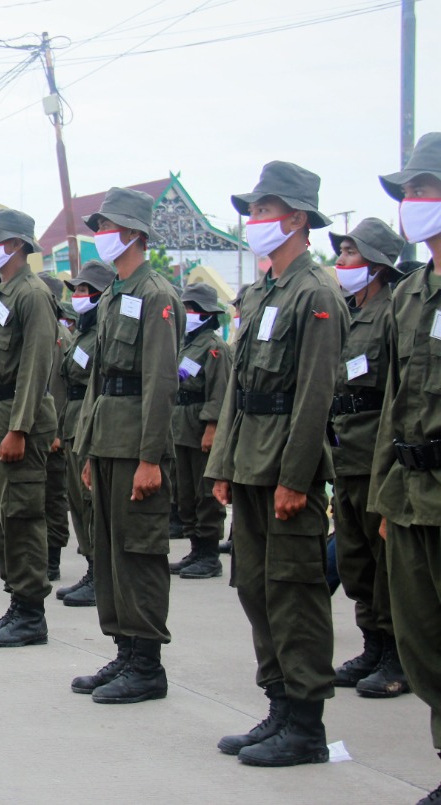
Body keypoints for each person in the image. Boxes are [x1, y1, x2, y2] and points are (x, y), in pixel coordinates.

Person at [207, 162, 348, 765]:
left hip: (285, 467)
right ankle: (279, 705)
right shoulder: (263, 289)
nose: (253, 220)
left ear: (296, 219)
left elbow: (316, 393)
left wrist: (298, 477)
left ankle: (307, 726)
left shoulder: (317, 291)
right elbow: (238, 388)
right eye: (254, 210)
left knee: (295, 594)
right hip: (248, 462)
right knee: (256, 589)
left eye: (264, 211)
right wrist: (221, 464)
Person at [74, 188, 183, 704]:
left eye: (109, 227)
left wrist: (149, 458)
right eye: (98, 227)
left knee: (139, 552)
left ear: (136, 234)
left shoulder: (157, 293)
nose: (101, 236)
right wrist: (91, 448)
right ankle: (123, 650)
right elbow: (99, 377)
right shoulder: (116, 291)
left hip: (137, 443)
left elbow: (160, 381)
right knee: (112, 550)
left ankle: (147, 664)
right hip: (109, 439)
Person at [371, 132, 441, 804]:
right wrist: (389, 492)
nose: (411, 203)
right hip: (414, 490)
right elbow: (397, 397)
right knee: (423, 644)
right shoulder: (413, 293)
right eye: (409, 193)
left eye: (423, 189)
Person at [325, 217, 411, 698]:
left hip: (376, 450)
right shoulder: (349, 310)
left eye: (351, 255)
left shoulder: (393, 311)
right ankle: (373, 645)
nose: (341, 262)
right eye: (340, 254)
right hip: (346, 451)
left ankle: (398, 655)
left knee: (386, 561)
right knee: (356, 559)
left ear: (376, 264)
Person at [0, 210, 58, 647]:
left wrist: (18, 428)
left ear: (18, 245)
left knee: (20, 516)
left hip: (17, 419)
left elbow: (35, 367)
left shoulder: (32, 294)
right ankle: (17, 601)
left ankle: (30, 612)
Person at [56, 261, 114, 607]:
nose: (76, 295)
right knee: (77, 499)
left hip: (90, 417)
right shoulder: (81, 332)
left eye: (83, 290)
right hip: (71, 417)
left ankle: (103, 573)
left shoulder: (101, 332)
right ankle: (92, 566)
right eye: (74, 290)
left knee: (92, 501)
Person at [168, 283, 232, 580]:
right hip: (180, 425)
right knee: (185, 490)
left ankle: (209, 553)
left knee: (205, 491)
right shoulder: (185, 342)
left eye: (192, 308)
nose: (188, 313)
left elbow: (219, 390)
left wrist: (212, 427)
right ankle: (196, 547)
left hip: (200, 425)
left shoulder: (214, 346)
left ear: (207, 313)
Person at [39, 270, 72, 582]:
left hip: (53, 434)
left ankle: (53, 557)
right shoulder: (41, 330)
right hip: (39, 429)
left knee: (52, 497)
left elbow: (60, 388)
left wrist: (57, 432)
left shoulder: (59, 335)